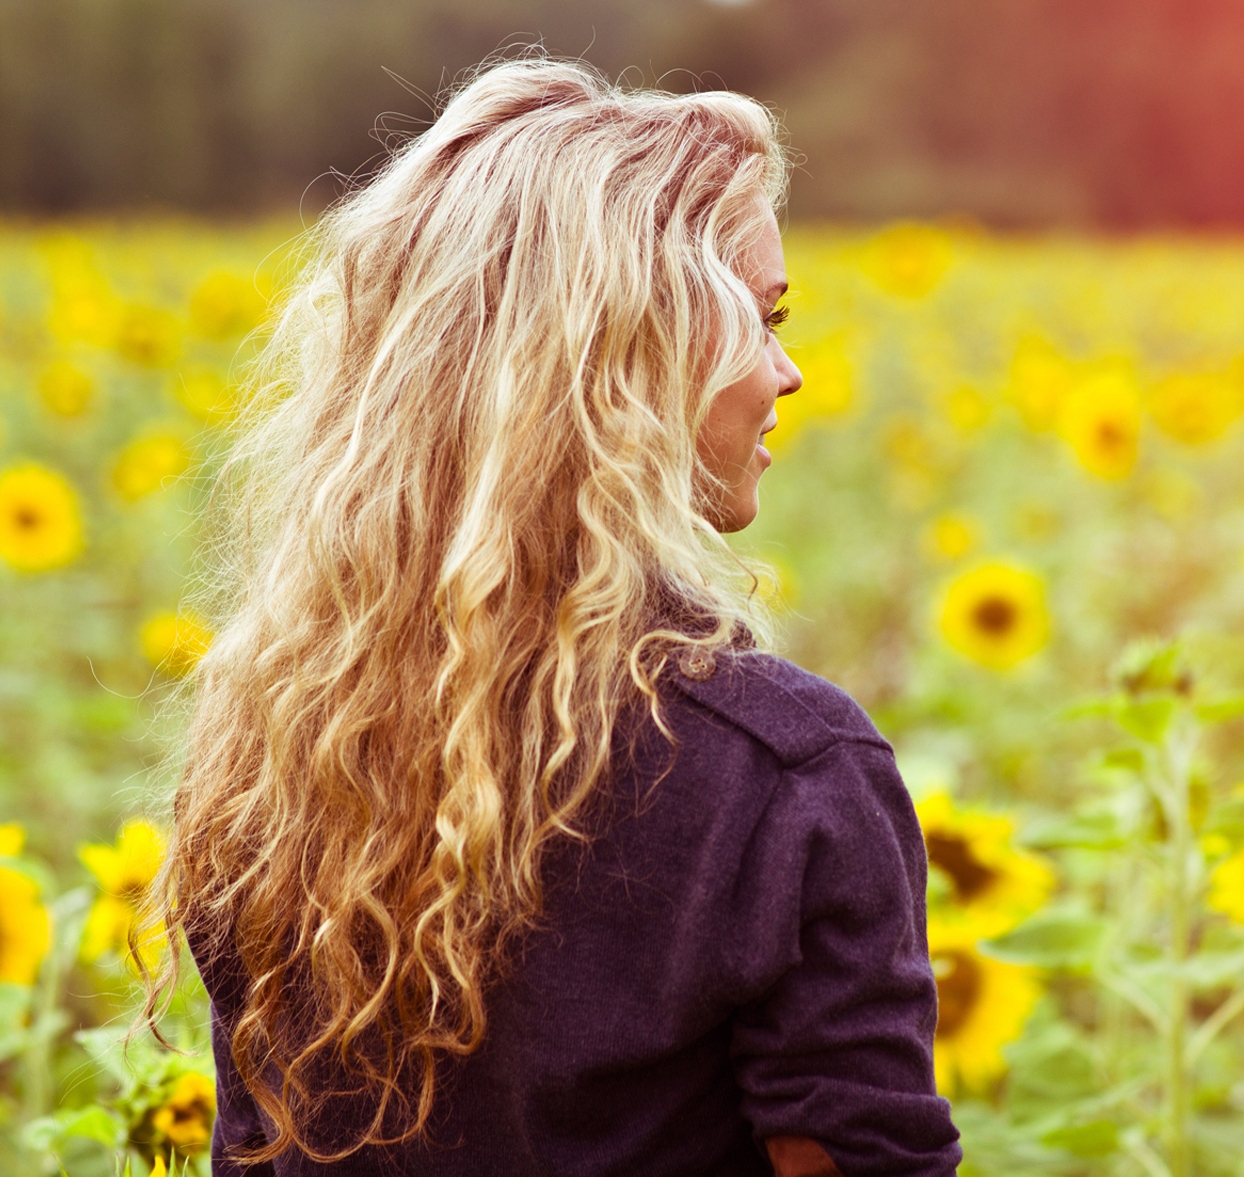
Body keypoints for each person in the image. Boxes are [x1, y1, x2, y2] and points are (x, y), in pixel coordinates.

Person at [156, 56, 961, 1177]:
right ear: (620, 357)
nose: (786, 373)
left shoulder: (275, 741)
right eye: (760, 318)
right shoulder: (780, 774)